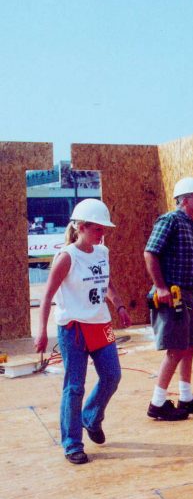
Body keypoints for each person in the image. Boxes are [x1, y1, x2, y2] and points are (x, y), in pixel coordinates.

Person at [33, 199, 131, 464]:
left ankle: (91, 417)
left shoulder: (102, 252)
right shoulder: (67, 257)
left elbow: (106, 281)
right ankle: (72, 443)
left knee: (112, 376)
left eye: (103, 230)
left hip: (100, 324)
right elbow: (47, 296)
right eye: (98, 229)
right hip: (73, 329)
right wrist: (42, 331)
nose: (103, 234)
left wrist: (119, 305)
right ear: (82, 228)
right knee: (74, 386)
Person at [143, 177, 193, 421]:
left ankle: (186, 397)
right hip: (172, 294)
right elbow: (150, 253)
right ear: (185, 200)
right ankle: (157, 403)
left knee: (190, 346)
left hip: (189, 292)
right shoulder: (170, 221)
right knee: (175, 349)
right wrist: (160, 287)